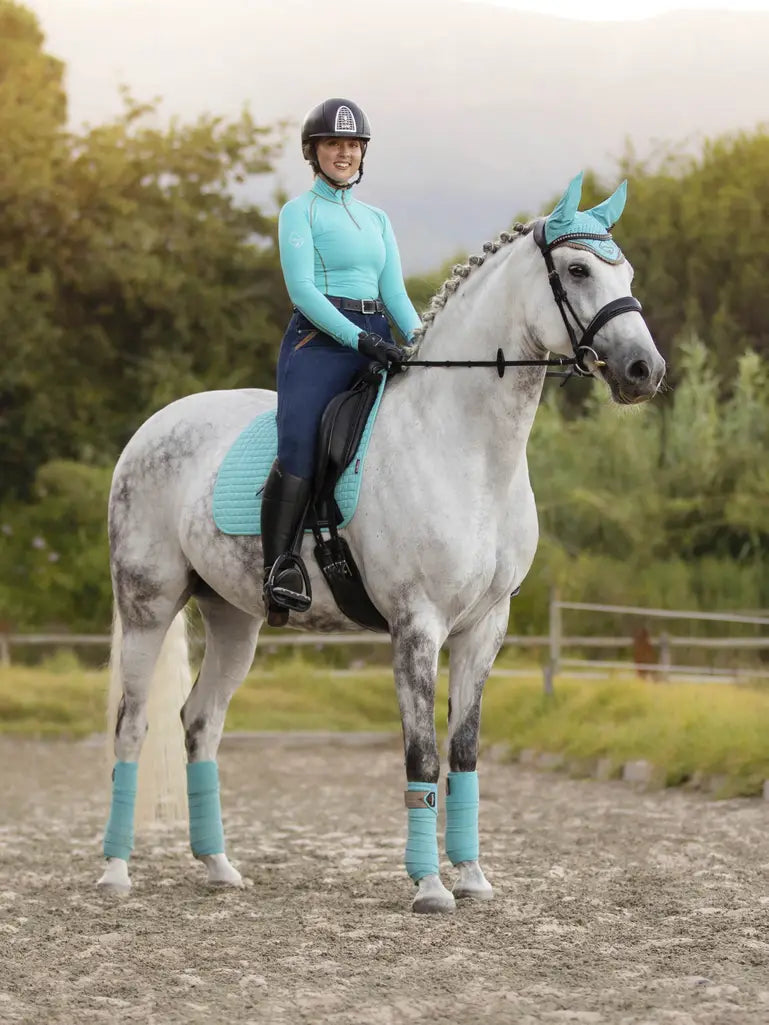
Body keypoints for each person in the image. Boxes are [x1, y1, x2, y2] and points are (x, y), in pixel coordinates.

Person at [261, 97, 422, 626]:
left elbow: (395, 293)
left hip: (376, 335)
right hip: (320, 344)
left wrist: (421, 346)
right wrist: (358, 340)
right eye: (334, 144)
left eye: (353, 145)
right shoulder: (298, 212)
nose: (344, 153)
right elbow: (303, 290)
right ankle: (280, 567)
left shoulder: (377, 219)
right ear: (314, 152)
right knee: (303, 439)